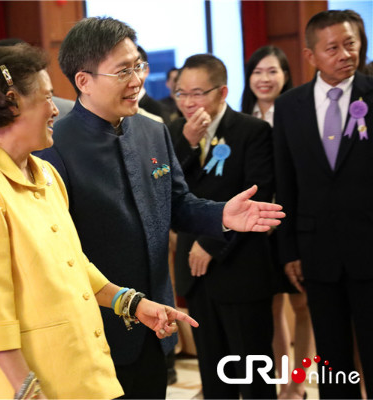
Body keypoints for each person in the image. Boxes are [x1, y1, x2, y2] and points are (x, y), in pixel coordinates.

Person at [37, 16, 284, 398]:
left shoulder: (153, 130)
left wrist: (221, 215)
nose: (136, 80)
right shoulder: (54, 148)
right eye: (122, 71)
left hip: (157, 323)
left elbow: (178, 204)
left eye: (137, 66)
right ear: (83, 80)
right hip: (94, 330)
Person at [0, 43, 199, 399]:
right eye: (46, 98)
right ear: (12, 102)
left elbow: (73, 265)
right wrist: (29, 391)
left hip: (81, 371)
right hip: (28, 383)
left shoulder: (44, 172)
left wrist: (134, 304)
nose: (54, 110)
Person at [274, 9, 373, 399]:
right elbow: (286, 182)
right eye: (332, 47)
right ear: (311, 55)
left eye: (351, 44)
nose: (345, 54)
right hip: (317, 253)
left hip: (370, 245)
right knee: (333, 363)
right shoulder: (290, 106)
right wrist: (289, 250)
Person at [169, 54, 277, 399]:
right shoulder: (173, 133)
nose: (188, 102)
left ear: (222, 92)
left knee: (254, 375)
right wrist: (186, 143)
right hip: (196, 276)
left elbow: (259, 198)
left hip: (240, 269)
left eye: (197, 93)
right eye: (181, 93)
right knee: (214, 379)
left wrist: (212, 242)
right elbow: (168, 192)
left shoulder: (252, 131)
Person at [241, 45, 314, 399]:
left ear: (286, 75)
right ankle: (279, 380)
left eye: (272, 71)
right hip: (255, 229)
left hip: (292, 224)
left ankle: (297, 383)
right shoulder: (242, 118)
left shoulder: (299, 113)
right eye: (257, 71)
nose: (264, 79)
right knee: (270, 308)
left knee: (302, 306)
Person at [137, 45, 168, 123]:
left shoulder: (158, 110)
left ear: (146, 71)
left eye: (137, 67)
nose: (131, 75)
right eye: (124, 70)